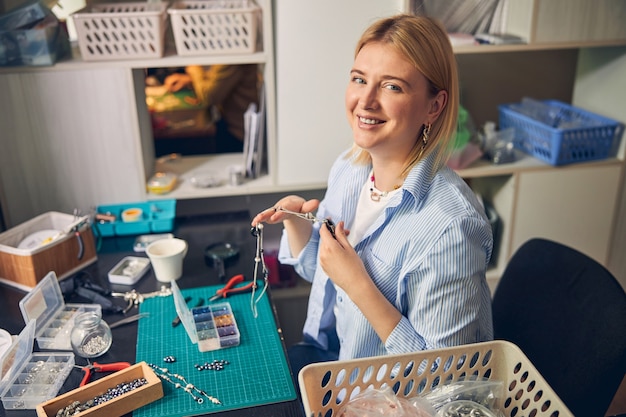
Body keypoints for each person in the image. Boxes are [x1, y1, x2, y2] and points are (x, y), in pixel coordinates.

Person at [251, 14, 494, 375]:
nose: (365, 101)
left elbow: (445, 377)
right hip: (330, 358)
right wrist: (296, 226)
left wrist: (358, 283)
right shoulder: (350, 169)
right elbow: (326, 274)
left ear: (434, 106)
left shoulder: (451, 228)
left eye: (392, 86)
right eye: (359, 79)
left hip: (387, 396)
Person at [163, 64, 259, 153]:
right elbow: (217, 80)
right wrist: (190, 79)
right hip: (235, 125)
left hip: (239, 132)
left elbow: (209, 96)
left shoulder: (230, 58)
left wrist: (194, 69)